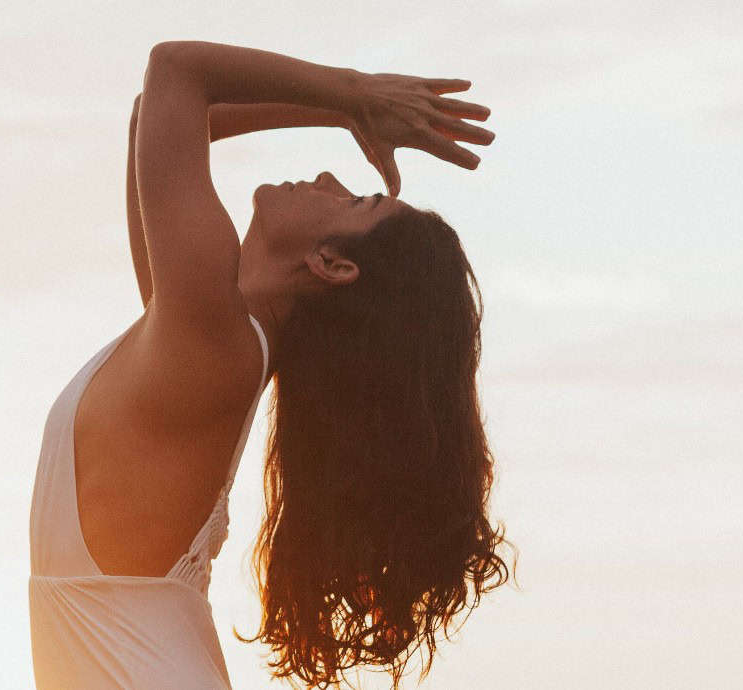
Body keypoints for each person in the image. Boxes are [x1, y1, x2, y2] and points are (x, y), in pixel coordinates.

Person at [28, 40, 516, 689]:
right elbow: (154, 116)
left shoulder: (209, 345)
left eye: (354, 202)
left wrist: (354, 94)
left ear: (331, 264)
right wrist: (346, 113)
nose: (329, 180)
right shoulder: (200, 346)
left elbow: (176, 71)